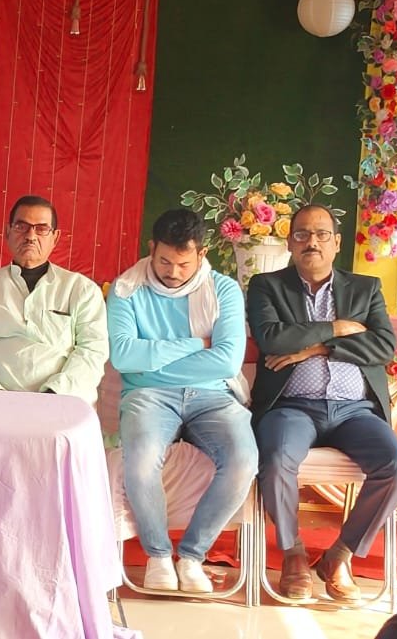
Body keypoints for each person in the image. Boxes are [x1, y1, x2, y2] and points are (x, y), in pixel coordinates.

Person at [248, 203, 397, 602]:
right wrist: (337, 327)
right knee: (276, 460)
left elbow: (383, 347)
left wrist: (317, 348)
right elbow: (272, 339)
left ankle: (339, 555)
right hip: (291, 407)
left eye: (322, 234)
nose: (312, 242)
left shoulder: (365, 288)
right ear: (290, 242)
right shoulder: (267, 286)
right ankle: (293, 554)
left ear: (337, 243)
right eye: (302, 234)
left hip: (355, 411)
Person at [106, 208, 256, 593]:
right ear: (151, 248)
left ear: (202, 254)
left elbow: (227, 361)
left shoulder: (223, 290)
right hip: (147, 396)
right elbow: (123, 357)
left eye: (184, 264)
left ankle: (191, 556)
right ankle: (158, 555)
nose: (173, 272)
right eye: (164, 261)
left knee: (243, 460)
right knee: (140, 460)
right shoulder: (126, 290)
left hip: (214, 395)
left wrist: (153, 362)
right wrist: (195, 344)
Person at [0, 195, 108, 404]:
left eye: (41, 229)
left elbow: (93, 353)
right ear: (7, 232)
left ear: (55, 237)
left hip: (61, 404)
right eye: (21, 227)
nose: (30, 236)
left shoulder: (81, 290)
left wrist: (52, 396)